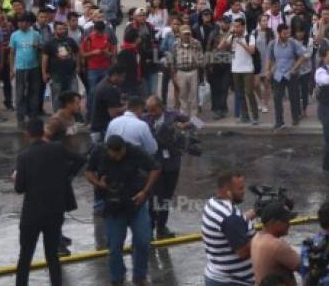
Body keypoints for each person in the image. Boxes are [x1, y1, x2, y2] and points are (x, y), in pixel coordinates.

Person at [86, 135, 160, 286]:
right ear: (108, 150)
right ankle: (118, 278)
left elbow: (156, 168)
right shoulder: (98, 152)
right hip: (113, 206)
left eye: (121, 153)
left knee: (143, 241)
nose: (118, 157)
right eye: (115, 154)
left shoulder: (135, 151)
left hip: (136, 202)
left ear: (124, 148)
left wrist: (145, 191)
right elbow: (88, 172)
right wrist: (99, 184)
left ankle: (140, 276)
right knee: (114, 246)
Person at [14, 118, 72, 286]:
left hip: (32, 214)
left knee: (25, 256)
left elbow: (19, 188)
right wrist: (63, 176)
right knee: (52, 255)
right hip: (55, 212)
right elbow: (79, 159)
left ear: (27, 134)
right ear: (43, 132)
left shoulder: (24, 156)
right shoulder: (57, 148)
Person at [144, 94, 190, 239]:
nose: (150, 113)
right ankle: (149, 228)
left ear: (161, 107)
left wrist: (183, 126)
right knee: (153, 198)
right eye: (148, 110)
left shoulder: (173, 115)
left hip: (172, 164)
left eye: (153, 110)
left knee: (165, 198)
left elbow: (199, 122)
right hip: (154, 165)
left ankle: (161, 227)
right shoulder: (145, 120)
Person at [201, 170, 257, 286]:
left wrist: (256, 211)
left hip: (217, 275)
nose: (244, 192)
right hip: (233, 281)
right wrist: (265, 236)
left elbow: (232, 225)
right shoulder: (230, 216)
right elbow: (244, 251)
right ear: (228, 192)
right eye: (240, 189)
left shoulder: (212, 203)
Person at [265, 23, 307, 129]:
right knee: (277, 98)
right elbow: (269, 58)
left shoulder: (293, 43)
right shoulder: (272, 44)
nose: (287, 35)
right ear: (279, 33)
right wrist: (267, 70)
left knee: (294, 97)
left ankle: (295, 118)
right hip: (278, 74)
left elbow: (302, 56)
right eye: (284, 33)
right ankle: (279, 121)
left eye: (288, 33)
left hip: (291, 73)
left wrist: (295, 68)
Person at [251, 202, 301, 285]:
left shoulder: (256, 238)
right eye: (285, 220)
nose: (289, 224)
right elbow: (305, 268)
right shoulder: (277, 245)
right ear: (273, 222)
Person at [9, 12, 43, 128]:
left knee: (33, 92)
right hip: (20, 68)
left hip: (34, 67)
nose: (21, 24)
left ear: (29, 23)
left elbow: (41, 51)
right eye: (19, 22)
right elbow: (12, 53)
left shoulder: (36, 34)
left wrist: (37, 46)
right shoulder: (14, 35)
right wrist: (11, 68)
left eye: (24, 22)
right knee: (20, 93)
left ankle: (32, 116)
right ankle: (20, 118)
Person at [41, 20, 80, 112]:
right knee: (57, 97)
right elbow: (44, 59)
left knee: (74, 95)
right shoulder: (50, 43)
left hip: (71, 73)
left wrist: (78, 66)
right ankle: (58, 115)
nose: (62, 31)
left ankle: (75, 115)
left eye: (63, 29)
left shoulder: (70, 41)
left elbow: (77, 53)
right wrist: (44, 73)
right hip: (56, 74)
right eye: (59, 29)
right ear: (54, 30)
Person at [170, 25, 205, 116]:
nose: (186, 36)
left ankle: (194, 117)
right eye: (184, 34)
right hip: (181, 72)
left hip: (193, 71)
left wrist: (197, 61)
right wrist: (174, 74)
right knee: (182, 95)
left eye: (188, 34)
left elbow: (201, 57)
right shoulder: (175, 44)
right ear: (180, 34)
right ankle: (184, 116)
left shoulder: (196, 43)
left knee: (194, 96)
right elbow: (173, 59)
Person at [90, 65, 125, 144]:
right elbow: (113, 113)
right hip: (102, 129)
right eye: (122, 77)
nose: (123, 79)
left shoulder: (103, 83)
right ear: (115, 75)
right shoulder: (109, 89)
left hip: (96, 126)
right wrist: (127, 107)